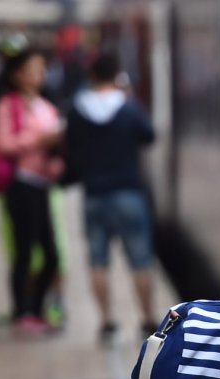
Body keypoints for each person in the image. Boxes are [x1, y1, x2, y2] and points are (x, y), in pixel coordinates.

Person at [66, 52, 158, 340]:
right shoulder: (128, 108)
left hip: (94, 194)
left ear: (91, 77)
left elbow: (70, 146)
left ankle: (106, 321)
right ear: (117, 75)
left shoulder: (77, 110)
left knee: (98, 261)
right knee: (140, 260)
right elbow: (149, 135)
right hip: (128, 193)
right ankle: (147, 318)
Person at [0, 47, 65, 335]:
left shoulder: (46, 106)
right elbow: (3, 143)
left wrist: (57, 161)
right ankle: (23, 312)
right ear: (16, 75)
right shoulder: (8, 106)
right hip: (21, 184)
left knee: (51, 255)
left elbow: (57, 146)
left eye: (41, 69)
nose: (39, 76)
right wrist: (38, 140)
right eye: (32, 70)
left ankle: (35, 309)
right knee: (24, 252)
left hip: (43, 184)